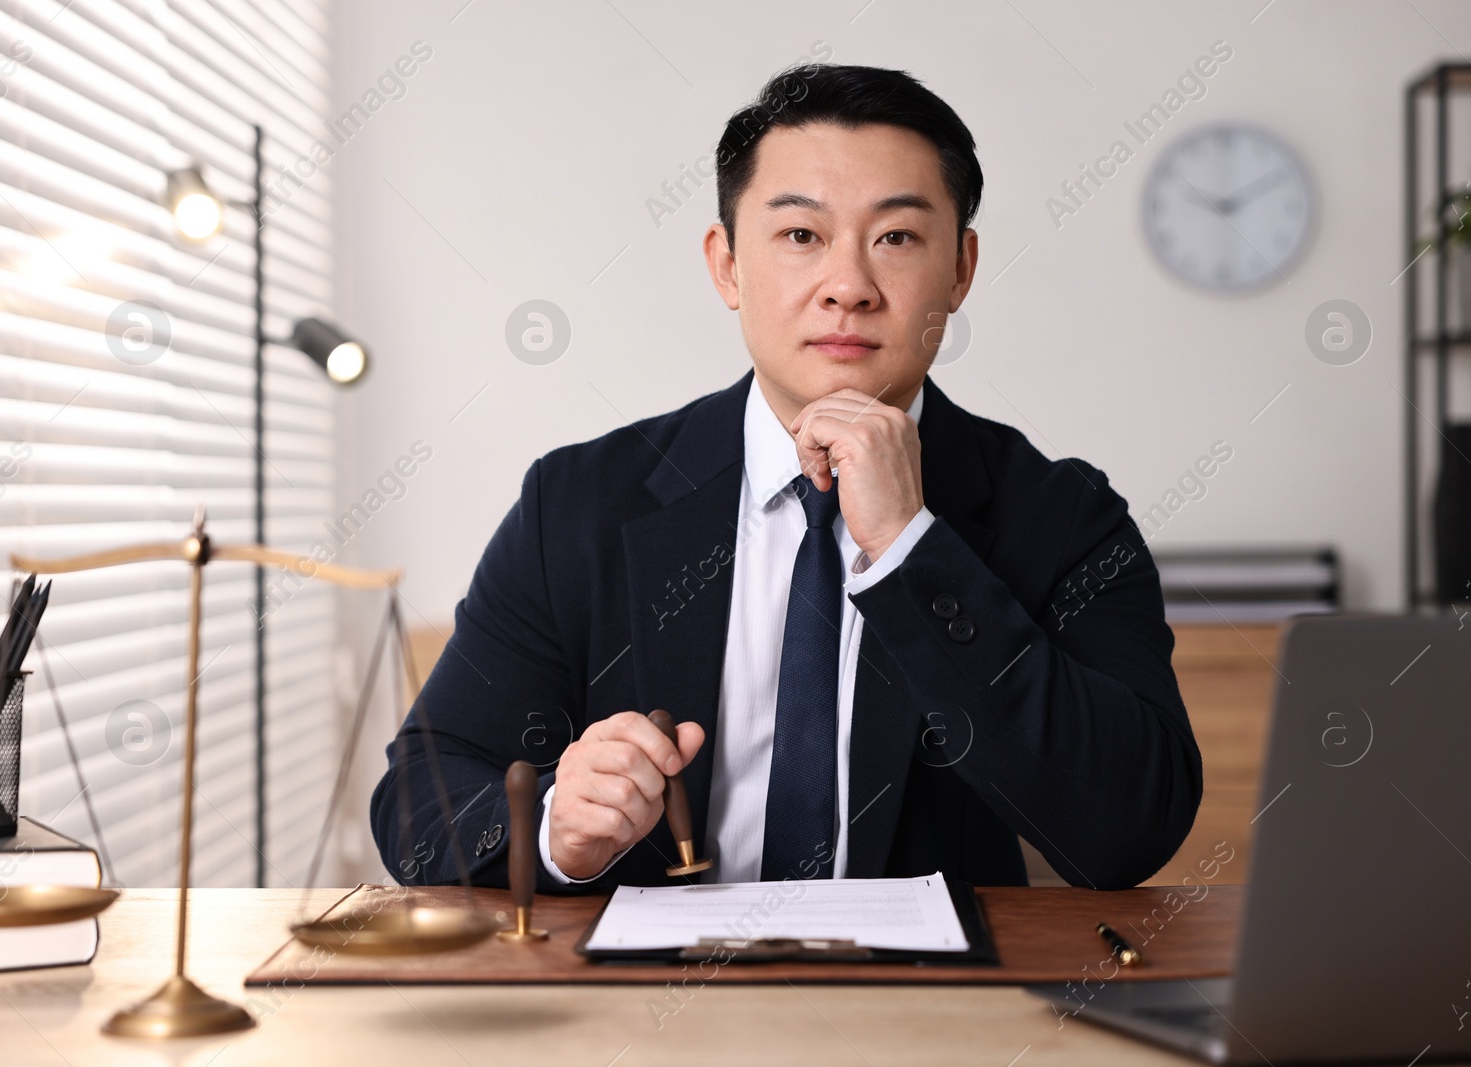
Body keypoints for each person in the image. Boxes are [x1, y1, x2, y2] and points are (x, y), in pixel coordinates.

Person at [371, 63, 1202, 892]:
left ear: (960, 269)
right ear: (728, 265)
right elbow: (420, 797)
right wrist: (555, 826)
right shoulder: (578, 503)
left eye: (898, 238)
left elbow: (1131, 828)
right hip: (641, 1005)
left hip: (931, 1009)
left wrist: (912, 547)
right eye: (802, 236)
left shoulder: (1062, 514)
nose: (849, 288)